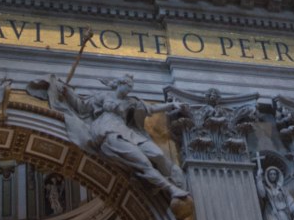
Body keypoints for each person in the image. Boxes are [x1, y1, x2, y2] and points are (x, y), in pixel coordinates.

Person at [27, 73, 188, 198]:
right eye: (128, 85)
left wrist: (171, 105)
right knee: (143, 162)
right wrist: (67, 91)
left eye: (131, 86)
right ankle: (171, 189)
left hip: (128, 132)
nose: (130, 89)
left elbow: (151, 109)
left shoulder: (131, 101)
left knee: (159, 154)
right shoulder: (103, 97)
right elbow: (81, 106)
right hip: (108, 131)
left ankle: (174, 180)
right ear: (120, 84)